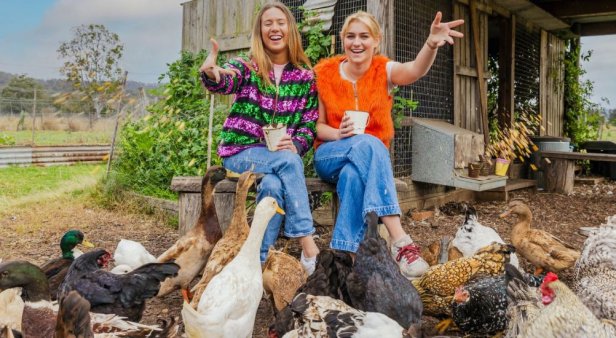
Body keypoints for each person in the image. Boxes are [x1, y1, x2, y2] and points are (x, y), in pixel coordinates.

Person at [313, 10, 464, 279]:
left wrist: (430, 44)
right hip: (330, 154)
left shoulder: (383, 70)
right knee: (370, 145)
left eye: (363, 36)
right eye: (350, 36)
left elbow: (414, 70)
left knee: (353, 175)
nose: (356, 43)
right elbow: (318, 126)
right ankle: (400, 239)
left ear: (376, 41)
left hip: (364, 161)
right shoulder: (325, 74)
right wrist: (338, 134)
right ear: (342, 39)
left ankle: (342, 257)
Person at [199, 2, 319, 274]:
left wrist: (297, 144)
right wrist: (212, 74)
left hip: (276, 159)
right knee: (287, 163)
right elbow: (227, 78)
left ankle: (258, 262)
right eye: (268, 23)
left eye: (280, 22)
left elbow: (309, 124)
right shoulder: (248, 66)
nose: (274, 28)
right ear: (260, 31)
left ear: (290, 29)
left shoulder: (305, 77)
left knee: (274, 187)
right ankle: (309, 247)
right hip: (240, 152)